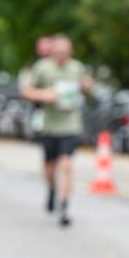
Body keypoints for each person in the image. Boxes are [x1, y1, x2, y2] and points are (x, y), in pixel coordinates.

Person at [21, 34, 92, 227]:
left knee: (66, 164)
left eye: (65, 51)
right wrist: (44, 95)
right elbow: (26, 91)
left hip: (70, 124)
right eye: (58, 51)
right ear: (53, 51)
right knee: (50, 168)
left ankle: (64, 205)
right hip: (49, 125)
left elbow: (86, 86)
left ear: (71, 51)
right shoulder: (42, 68)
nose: (62, 54)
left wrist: (86, 86)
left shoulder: (77, 67)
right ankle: (52, 189)